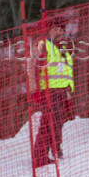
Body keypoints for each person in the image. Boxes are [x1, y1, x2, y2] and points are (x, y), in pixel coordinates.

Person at [33, 17, 74, 168]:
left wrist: (69, 92)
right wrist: (35, 90)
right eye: (55, 29)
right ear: (49, 30)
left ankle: (56, 149)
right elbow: (33, 65)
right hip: (49, 91)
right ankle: (40, 156)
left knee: (58, 122)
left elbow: (67, 73)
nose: (59, 32)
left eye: (61, 29)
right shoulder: (44, 45)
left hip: (62, 91)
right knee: (47, 122)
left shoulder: (63, 50)